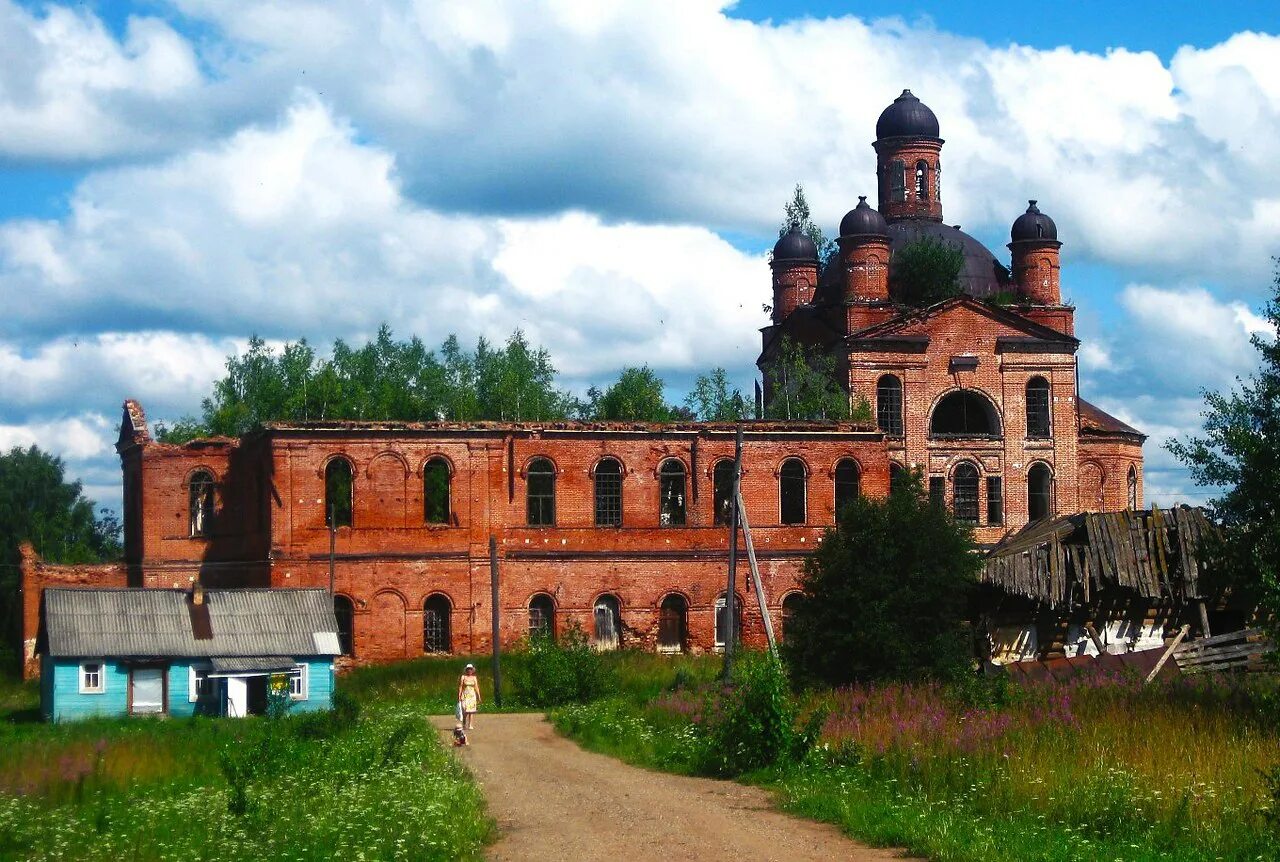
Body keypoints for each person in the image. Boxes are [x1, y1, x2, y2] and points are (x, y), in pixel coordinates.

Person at [457, 663, 481, 730]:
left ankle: (470, 724)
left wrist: (479, 696)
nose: (469, 671)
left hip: (472, 695)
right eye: (468, 669)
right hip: (465, 695)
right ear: (466, 670)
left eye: (470, 669)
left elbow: (476, 687)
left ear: (472, 670)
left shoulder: (474, 678)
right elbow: (460, 686)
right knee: (465, 710)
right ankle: (464, 723)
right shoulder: (463, 677)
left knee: (471, 711)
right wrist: (459, 695)